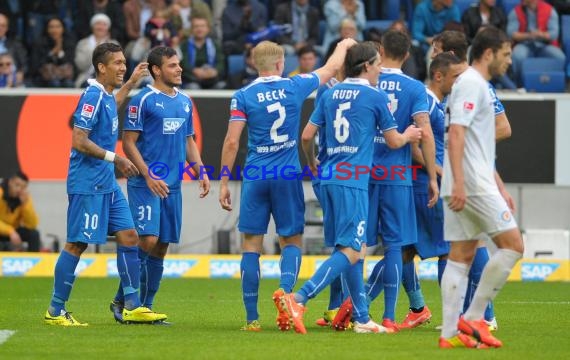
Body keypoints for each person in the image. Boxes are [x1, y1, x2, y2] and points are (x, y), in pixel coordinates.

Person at [275, 41, 422, 334]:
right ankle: (299, 298)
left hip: (328, 177)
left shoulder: (329, 93)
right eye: (378, 63)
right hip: (352, 180)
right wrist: (408, 134)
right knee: (353, 250)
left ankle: (362, 317)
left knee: (354, 248)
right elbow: (393, 141)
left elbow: (306, 135)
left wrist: (313, 162)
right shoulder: (374, 96)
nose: (381, 68)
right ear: (366, 65)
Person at [218, 38, 355, 331]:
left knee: (251, 245)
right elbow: (331, 68)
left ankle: (252, 319)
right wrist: (344, 44)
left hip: (255, 176)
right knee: (290, 241)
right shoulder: (294, 86)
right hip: (287, 173)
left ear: (254, 64)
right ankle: (286, 294)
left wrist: (224, 182)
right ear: (281, 64)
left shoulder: (242, 95)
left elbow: (232, 141)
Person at [44, 42, 166, 326]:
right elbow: (79, 140)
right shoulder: (91, 97)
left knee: (129, 236)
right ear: (101, 67)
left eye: (125, 62)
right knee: (77, 244)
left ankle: (132, 305)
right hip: (87, 183)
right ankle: (55, 310)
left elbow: (112, 105)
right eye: (118, 63)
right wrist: (117, 159)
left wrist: (133, 82)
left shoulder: (105, 96)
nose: (123, 67)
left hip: (107, 184)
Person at [110, 46, 210, 324]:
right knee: (147, 240)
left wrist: (201, 171)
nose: (179, 69)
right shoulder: (142, 100)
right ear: (156, 70)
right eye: (172, 65)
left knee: (162, 245)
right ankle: (124, 300)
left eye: (179, 65)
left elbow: (189, 140)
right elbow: (128, 142)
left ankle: (147, 306)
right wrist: (148, 175)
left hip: (173, 185)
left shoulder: (185, 101)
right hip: (146, 183)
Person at [439, 27, 523, 348]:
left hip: (470, 179)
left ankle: (449, 335)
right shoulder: (473, 84)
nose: (509, 62)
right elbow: (457, 134)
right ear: (488, 53)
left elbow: (477, 143)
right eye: (506, 54)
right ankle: (474, 319)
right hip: (471, 183)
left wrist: (498, 185)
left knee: (460, 256)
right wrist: (461, 182)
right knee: (513, 246)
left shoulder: (470, 84)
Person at [364, 30, 438, 332]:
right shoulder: (415, 88)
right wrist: (432, 177)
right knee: (395, 247)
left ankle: (353, 311)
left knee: (355, 246)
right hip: (398, 176)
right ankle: (389, 317)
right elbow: (426, 133)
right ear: (407, 55)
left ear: (380, 51)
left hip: (363, 174)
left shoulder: (366, 81)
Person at [397, 52, 464, 329]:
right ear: (439, 76)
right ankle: (447, 315)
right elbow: (414, 147)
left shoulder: (438, 103)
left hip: (421, 183)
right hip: (425, 185)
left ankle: (419, 307)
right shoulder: (425, 100)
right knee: (444, 250)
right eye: (455, 77)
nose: (458, 82)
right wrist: (440, 173)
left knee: (405, 249)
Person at [507, 0, 566, 87]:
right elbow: (511, 33)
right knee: (517, 56)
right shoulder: (516, 11)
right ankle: (518, 85)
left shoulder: (549, 10)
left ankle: (556, 84)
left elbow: (554, 34)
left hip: (545, 44)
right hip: (524, 43)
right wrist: (529, 35)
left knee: (560, 57)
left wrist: (540, 34)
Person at [181, 14, 226, 89]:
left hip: (212, 79)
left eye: (202, 26)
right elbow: (183, 64)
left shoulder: (215, 45)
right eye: (196, 26)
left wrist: (214, 71)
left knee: (222, 86)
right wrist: (194, 71)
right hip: (192, 80)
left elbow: (221, 63)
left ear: (208, 29)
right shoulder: (184, 45)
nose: (199, 29)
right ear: (191, 29)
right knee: (193, 87)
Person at [30, 16, 76, 88]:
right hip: (45, 78)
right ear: (47, 29)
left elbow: (71, 63)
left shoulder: (69, 42)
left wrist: (60, 53)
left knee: (68, 83)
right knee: (54, 83)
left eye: (58, 27)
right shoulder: (39, 43)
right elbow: (36, 65)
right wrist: (52, 53)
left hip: (65, 77)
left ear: (63, 29)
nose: (55, 30)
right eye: (51, 27)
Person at [0, 172, 40, 252]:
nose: (19, 190)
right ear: (10, 182)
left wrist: (25, 205)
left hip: (14, 230)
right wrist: (10, 231)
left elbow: (32, 225)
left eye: (23, 187)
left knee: (34, 234)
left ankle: (33, 261)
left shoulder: (24, 198)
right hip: (5, 230)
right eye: (17, 185)